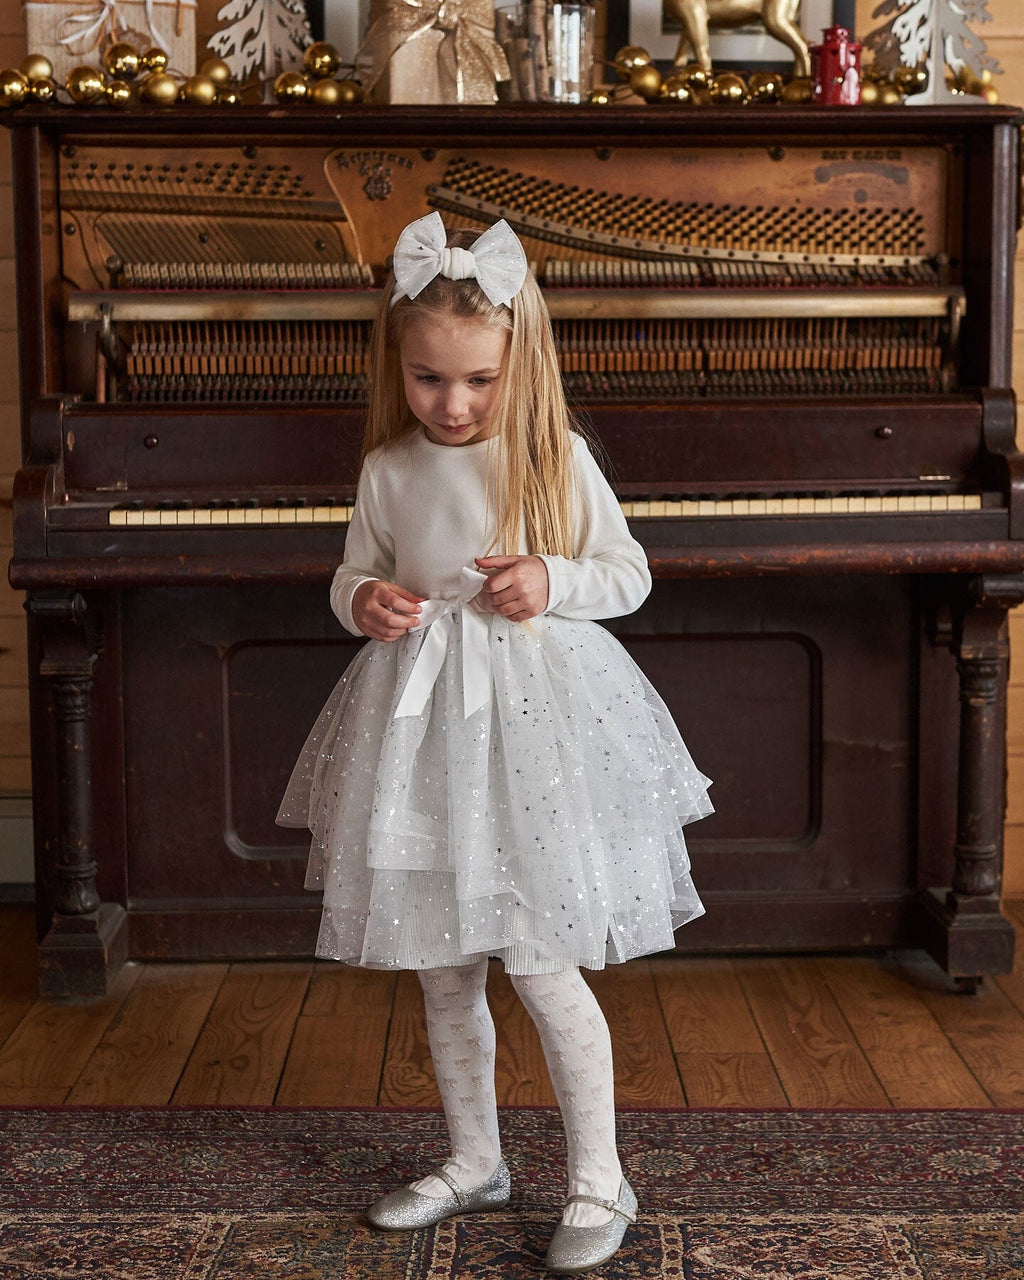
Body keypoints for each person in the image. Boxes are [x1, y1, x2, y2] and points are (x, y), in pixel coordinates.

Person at [277, 211, 711, 1274]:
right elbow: (354, 571)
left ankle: (598, 1177)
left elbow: (627, 572)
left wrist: (553, 579)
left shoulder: (549, 456)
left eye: (476, 380)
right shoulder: (387, 467)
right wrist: (364, 599)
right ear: (400, 367)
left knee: (539, 956)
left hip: (532, 731)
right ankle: (477, 1158)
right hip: (422, 728)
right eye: (430, 379)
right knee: (441, 960)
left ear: (517, 363)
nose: (454, 402)